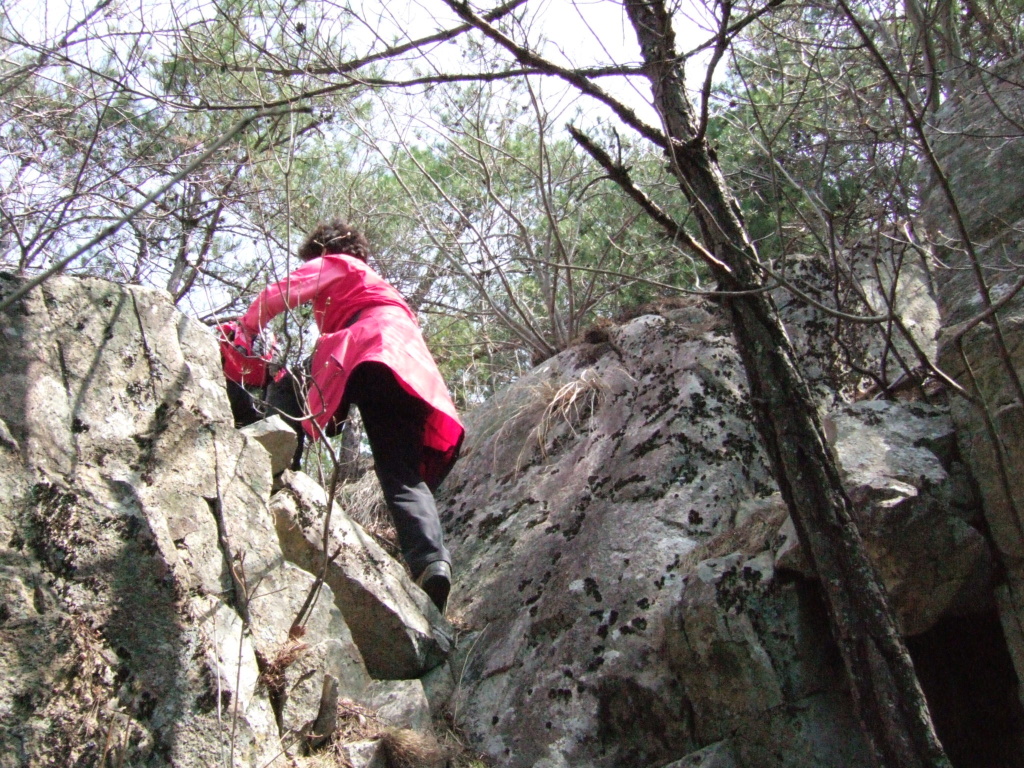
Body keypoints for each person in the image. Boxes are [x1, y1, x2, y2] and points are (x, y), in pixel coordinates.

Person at [228, 220, 464, 613]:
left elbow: (280, 293)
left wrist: (246, 328)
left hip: (364, 346)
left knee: (290, 386)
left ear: (324, 251)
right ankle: (430, 563)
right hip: (407, 366)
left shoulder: (338, 263)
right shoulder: (378, 286)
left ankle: (280, 469)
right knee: (400, 473)